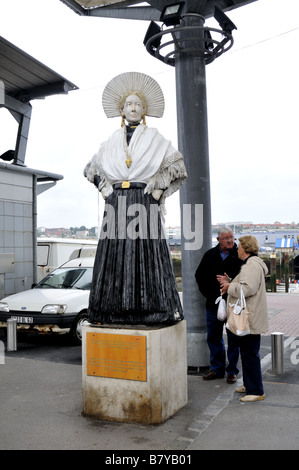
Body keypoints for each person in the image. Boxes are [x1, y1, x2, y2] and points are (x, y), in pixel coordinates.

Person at [83, 72, 187, 325]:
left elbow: (178, 167)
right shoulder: (110, 142)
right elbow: (91, 169)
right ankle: (112, 310)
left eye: (137, 105)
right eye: (129, 104)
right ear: (121, 109)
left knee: (147, 255)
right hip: (116, 202)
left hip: (143, 199)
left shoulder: (156, 139)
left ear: (144, 110)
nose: (133, 108)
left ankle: (151, 309)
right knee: (114, 254)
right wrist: (107, 191)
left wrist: (159, 190)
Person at [220, 235, 269, 402]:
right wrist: (231, 282)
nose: (237, 249)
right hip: (249, 315)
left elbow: (248, 288)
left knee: (249, 354)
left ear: (246, 248)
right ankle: (250, 385)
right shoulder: (252, 264)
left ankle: (256, 391)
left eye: (239, 246)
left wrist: (229, 286)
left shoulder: (251, 265)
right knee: (248, 353)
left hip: (249, 317)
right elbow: (246, 285)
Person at [195, 226, 242, 383]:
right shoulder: (210, 255)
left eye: (231, 237)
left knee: (233, 338)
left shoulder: (240, 255)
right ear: (218, 240)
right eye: (226, 238)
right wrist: (210, 294)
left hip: (233, 304)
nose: (230, 240)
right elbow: (199, 276)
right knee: (213, 337)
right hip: (213, 304)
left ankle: (232, 371)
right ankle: (216, 369)